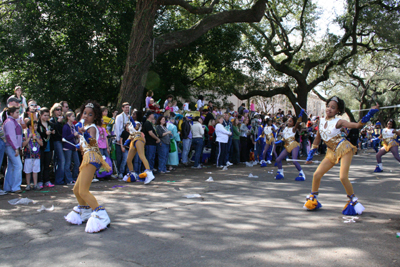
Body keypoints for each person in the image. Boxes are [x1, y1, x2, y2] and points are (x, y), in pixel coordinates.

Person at [305, 96, 379, 215]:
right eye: (328, 106)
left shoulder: (338, 122)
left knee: (343, 177)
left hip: (344, 149)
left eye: (333, 108)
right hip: (330, 152)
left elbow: (357, 125)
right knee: (317, 174)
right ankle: (313, 198)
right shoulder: (321, 121)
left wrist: (370, 113)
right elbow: (317, 138)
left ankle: (353, 201)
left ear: (338, 111)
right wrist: (311, 154)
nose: (329, 109)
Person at [64, 100, 111, 233]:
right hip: (87, 158)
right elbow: (85, 145)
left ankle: (101, 214)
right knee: (76, 190)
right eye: (84, 113)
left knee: (83, 191)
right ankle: (84, 210)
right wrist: (80, 145)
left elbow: (92, 141)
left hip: (92, 158)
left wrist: (83, 134)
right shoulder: (84, 128)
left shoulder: (91, 128)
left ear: (95, 117)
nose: (85, 116)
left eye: (90, 114)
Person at [274, 113, 305, 181]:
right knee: (278, 159)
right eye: (288, 120)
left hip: (293, 145)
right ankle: (281, 172)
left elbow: (298, 123)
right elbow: (284, 139)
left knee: (294, 160)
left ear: (293, 122)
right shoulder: (285, 129)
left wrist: (300, 115)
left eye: (290, 121)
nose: (289, 122)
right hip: (287, 145)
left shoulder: (293, 129)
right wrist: (276, 142)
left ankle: (302, 173)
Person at [2, 107, 23, 193]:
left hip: (11, 147)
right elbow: (10, 136)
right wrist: (16, 148)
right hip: (11, 147)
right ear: (11, 113)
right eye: (17, 112)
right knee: (18, 166)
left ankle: (7, 187)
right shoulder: (10, 122)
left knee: (11, 167)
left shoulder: (12, 122)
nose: (18, 114)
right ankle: (16, 187)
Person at [23, 119, 43, 190]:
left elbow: (41, 144)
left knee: (35, 170)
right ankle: (28, 184)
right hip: (28, 155)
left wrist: (36, 138)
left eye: (36, 126)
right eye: (34, 126)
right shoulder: (25, 133)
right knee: (27, 171)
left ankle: (35, 184)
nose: (36, 127)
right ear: (30, 127)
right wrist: (29, 138)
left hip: (36, 155)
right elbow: (23, 144)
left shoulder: (37, 134)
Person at [37, 107, 55, 189]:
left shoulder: (50, 124)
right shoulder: (38, 124)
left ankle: (47, 181)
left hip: (49, 147)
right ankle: (39, 181)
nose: (46, 117)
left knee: (47, 165)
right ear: (40, 115)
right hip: (41, 147)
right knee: (40, 165)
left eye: (48, 115)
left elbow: (54, 133)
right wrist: (45, 133)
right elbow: (38, 134)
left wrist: (53, 132)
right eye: (44, 115)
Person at [62, 111, 80, 185]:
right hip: (67, 147)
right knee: (68, 163)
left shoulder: (73, 126)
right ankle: (69, 180)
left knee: (77, 163)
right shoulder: (65, 127)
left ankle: (74, 178)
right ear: (68, 117)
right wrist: (73, 135)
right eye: (72, 116)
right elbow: (64, 138)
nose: (74, 118)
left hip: (73, 146)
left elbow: (74, 137)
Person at [50, 103, 66, 185]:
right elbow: (53, 130)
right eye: (57, 109)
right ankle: (59, 180)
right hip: (56, 141)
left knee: (61, 160)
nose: (59, 111)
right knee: (61, 160)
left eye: (60, 109)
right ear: (53, 110)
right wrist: (57, 123)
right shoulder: (52, 120)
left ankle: (61, 178)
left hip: (63, 141)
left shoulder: (63, 120)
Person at [114, 102, 130, 179]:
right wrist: (117, 138)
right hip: (120, 138)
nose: (127, 109)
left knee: (126, 157)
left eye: (128, 107)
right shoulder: (119, 117)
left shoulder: (128, 117)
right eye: (126, 107)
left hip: (127, 138)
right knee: (119, 156)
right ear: (122, 108)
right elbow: (117, 127)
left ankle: (125, 172)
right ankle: (119, 172)